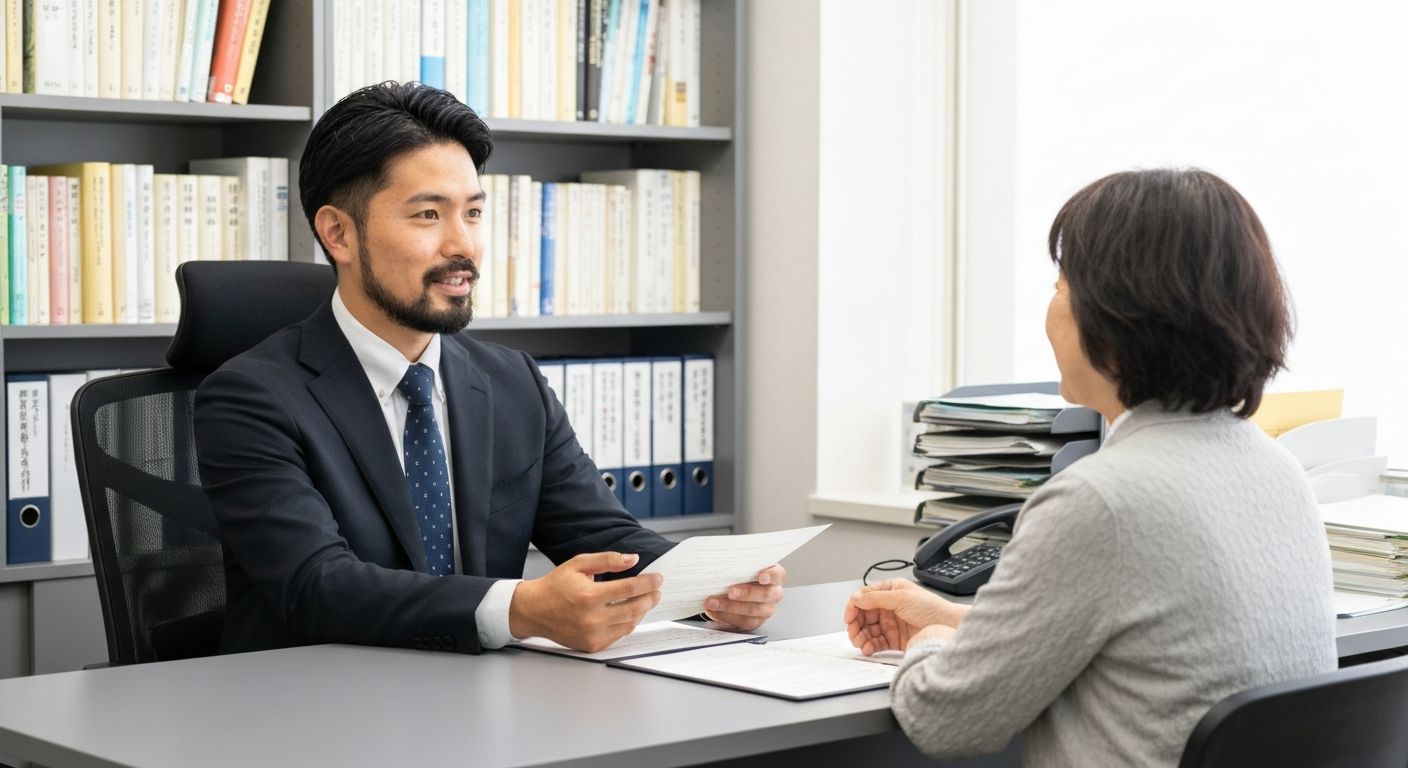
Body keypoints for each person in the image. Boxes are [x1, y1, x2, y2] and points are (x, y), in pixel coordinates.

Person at [194, 82, 784, 656]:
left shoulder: (512, 382)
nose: (464, 246)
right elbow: (317, 586)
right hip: (318, 712)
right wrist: (521, 609)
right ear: (338, 233)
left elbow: (606, 539)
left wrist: (709, 590)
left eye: (473, 213)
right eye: (429, 215)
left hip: (480, 703)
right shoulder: (251, 397)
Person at [844, 168, 1336, 766]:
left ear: (1117, 315)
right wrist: (959, 619)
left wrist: (932, 641)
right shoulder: (1278, 470)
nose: (1051, 310)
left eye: (1060, 285)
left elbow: (947, 722)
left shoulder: (1099, 500)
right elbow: (1148, 642)